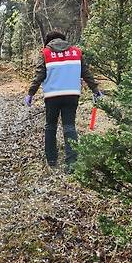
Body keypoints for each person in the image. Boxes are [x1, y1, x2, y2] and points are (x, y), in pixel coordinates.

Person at [25, 31, 103, 170]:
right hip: (72, 95)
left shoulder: (46, 53)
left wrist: (31, 93)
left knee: (50, 126)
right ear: (63, 40)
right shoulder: (76, 52)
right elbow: (86, 74)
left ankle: (52, 160)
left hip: (52, 96)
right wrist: (96, 90)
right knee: (69, 126)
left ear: (48, 41)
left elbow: (39, 76)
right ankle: (71, 163)